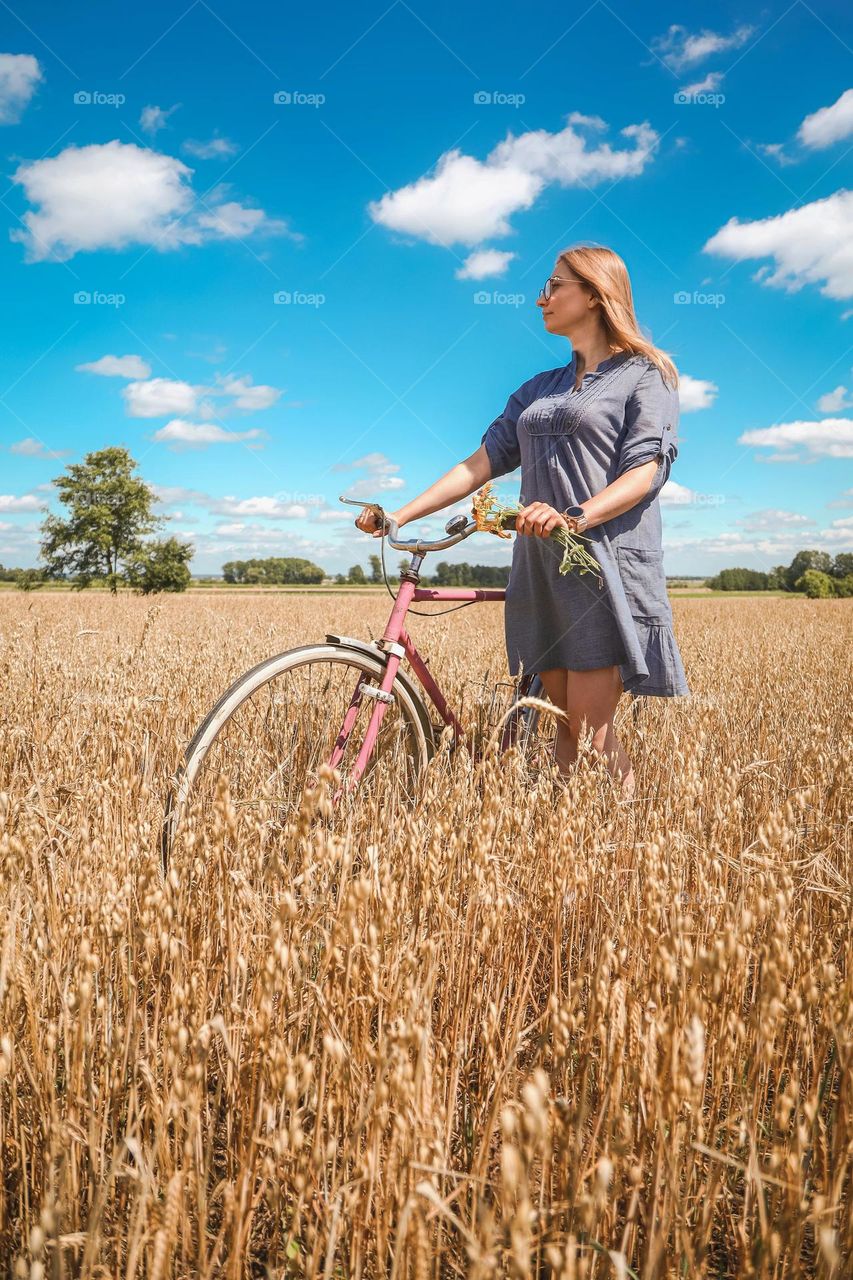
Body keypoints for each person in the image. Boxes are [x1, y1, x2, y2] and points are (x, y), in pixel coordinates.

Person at [355, 244, 690, 800]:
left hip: (600, 563)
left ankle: (632, 845)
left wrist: (575, 517)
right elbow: (479, 463)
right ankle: (563, 844)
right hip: (538, 565)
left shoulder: (644, 375)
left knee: (592, 730)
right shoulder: (538, 388)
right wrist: (399, 513)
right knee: (560, 727)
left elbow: (646, 470)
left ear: (594, 293)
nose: (541, 298)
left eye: (555, 286)